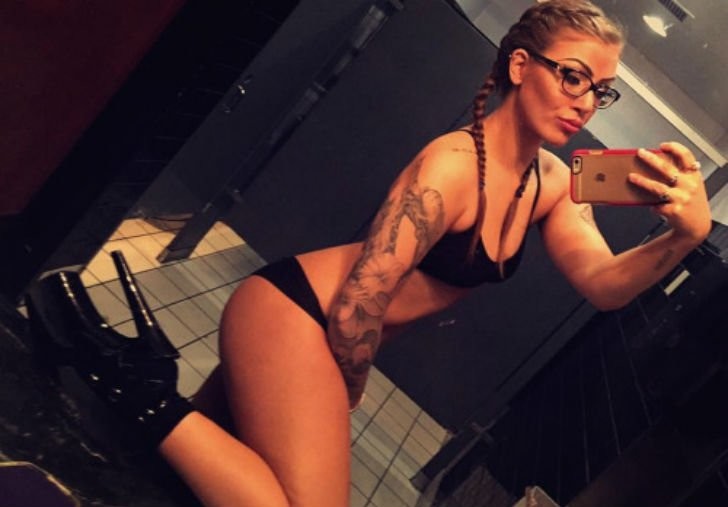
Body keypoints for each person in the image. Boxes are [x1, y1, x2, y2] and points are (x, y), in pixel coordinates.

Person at [56, 1, 718, 506]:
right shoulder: (450, 167)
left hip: (324, 329)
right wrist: (347, 387)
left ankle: (127, 397)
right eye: (573, 76)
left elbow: (603, 282)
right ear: (521, 66)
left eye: (600, 89)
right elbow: (355, 307)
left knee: (170, 481)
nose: (585, 101)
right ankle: (139, 389)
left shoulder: (552, 181)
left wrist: (682, 235)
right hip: (298, 318)